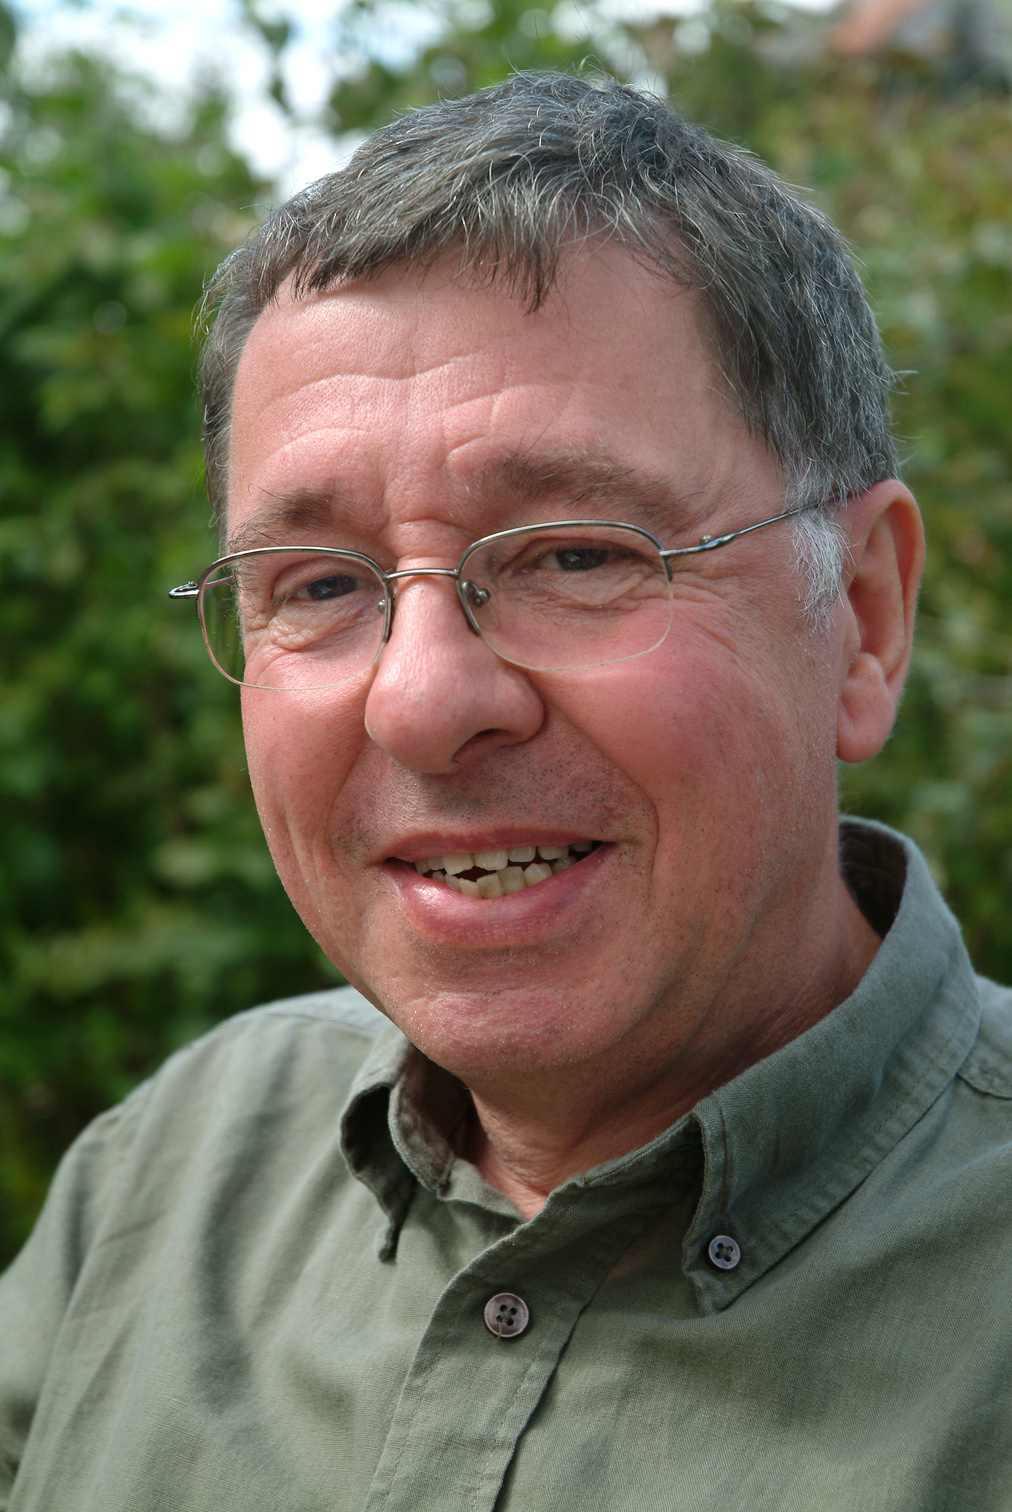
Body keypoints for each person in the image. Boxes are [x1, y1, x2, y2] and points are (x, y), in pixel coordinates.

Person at [1, 70, 1010, 1512]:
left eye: (577, 554)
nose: (421, 699)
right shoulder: (168, 1176)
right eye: (324, 584)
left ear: (862, 616)